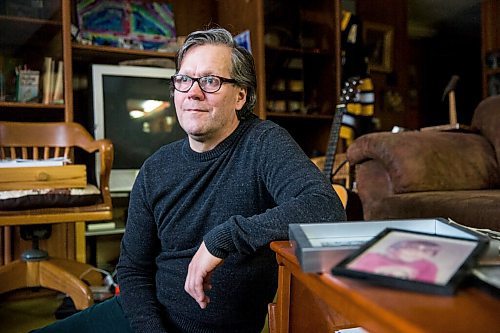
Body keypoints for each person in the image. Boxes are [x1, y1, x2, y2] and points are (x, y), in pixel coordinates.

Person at [32, 27, 345, 333]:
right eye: (184, 80)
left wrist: (223, 238)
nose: (193, 92)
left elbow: (326, 207)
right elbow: (132, 271)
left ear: (240, 96)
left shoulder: (264, 143)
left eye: (210, 81)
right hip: (142, 319)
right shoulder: (155, 168)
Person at [348, 239, 440, 283]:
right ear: (397, 246)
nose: (416, 252)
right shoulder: (372, 257)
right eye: (412, 246)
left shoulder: (429, 266)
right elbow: (355, 278)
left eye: (426, 251)